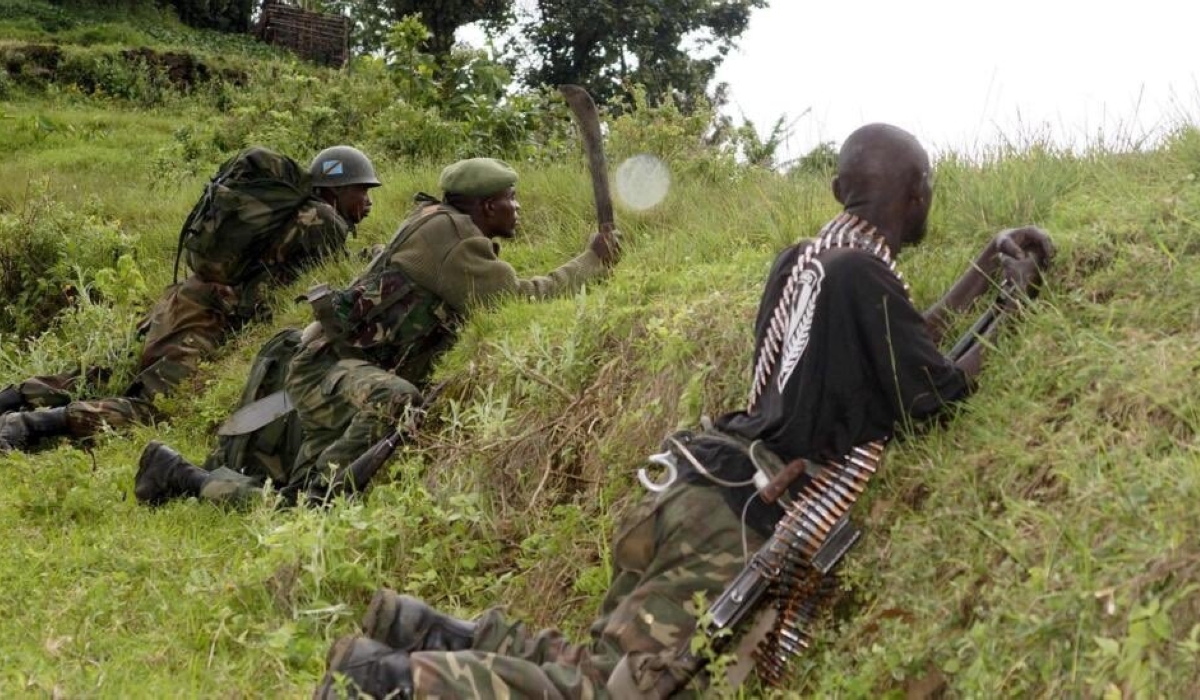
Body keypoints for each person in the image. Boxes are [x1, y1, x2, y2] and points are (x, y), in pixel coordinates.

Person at [310, 123, 1056, 699]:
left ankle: (420, 632)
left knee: (603, 665)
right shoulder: (863, 275)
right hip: (741, 519)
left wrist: (981, 269)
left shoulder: (807, 261)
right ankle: (396, 683)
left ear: (837, 191)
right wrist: (1015, 302)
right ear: (919, 194)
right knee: (625, 691)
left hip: (692, 486)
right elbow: (936, 394)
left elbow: (893, 341)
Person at [133, 156, 621, 506]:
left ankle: (286, 487)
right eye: (510, 198)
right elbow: (516, 301)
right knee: (396, 400)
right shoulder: (452, 237)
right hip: (328, 368)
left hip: (337, 363)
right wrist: (591, 262)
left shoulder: (439, 221)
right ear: (486, 206)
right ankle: (310, 497)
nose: (518, 207)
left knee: (388, 401)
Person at [0, 145, 380, 452]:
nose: (367, 201)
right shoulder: (325, 222)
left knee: (104, 376)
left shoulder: (291, 212)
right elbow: (324, 280)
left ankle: (11, 399)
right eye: (361, 190)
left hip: (179, 301)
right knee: (155, 409)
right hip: (203, 318)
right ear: (336, 189)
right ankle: (28, 425)